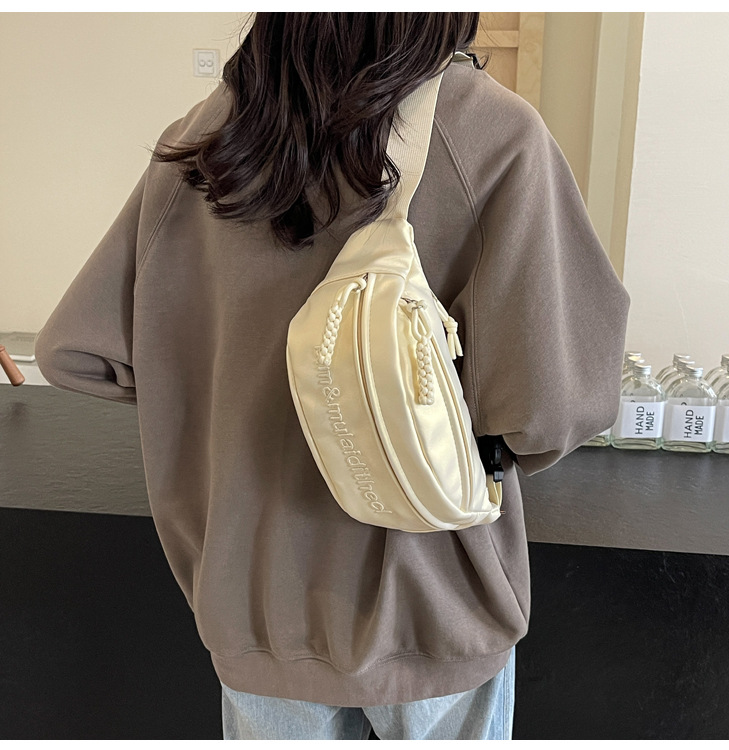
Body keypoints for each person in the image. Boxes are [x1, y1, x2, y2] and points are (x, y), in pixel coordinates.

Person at [34, 12, 630, 740]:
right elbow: (552, 409)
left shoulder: (205, 138)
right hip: (431, 598)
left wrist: (212, 384)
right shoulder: (492, 132)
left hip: (254, 602)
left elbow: (74, 351)